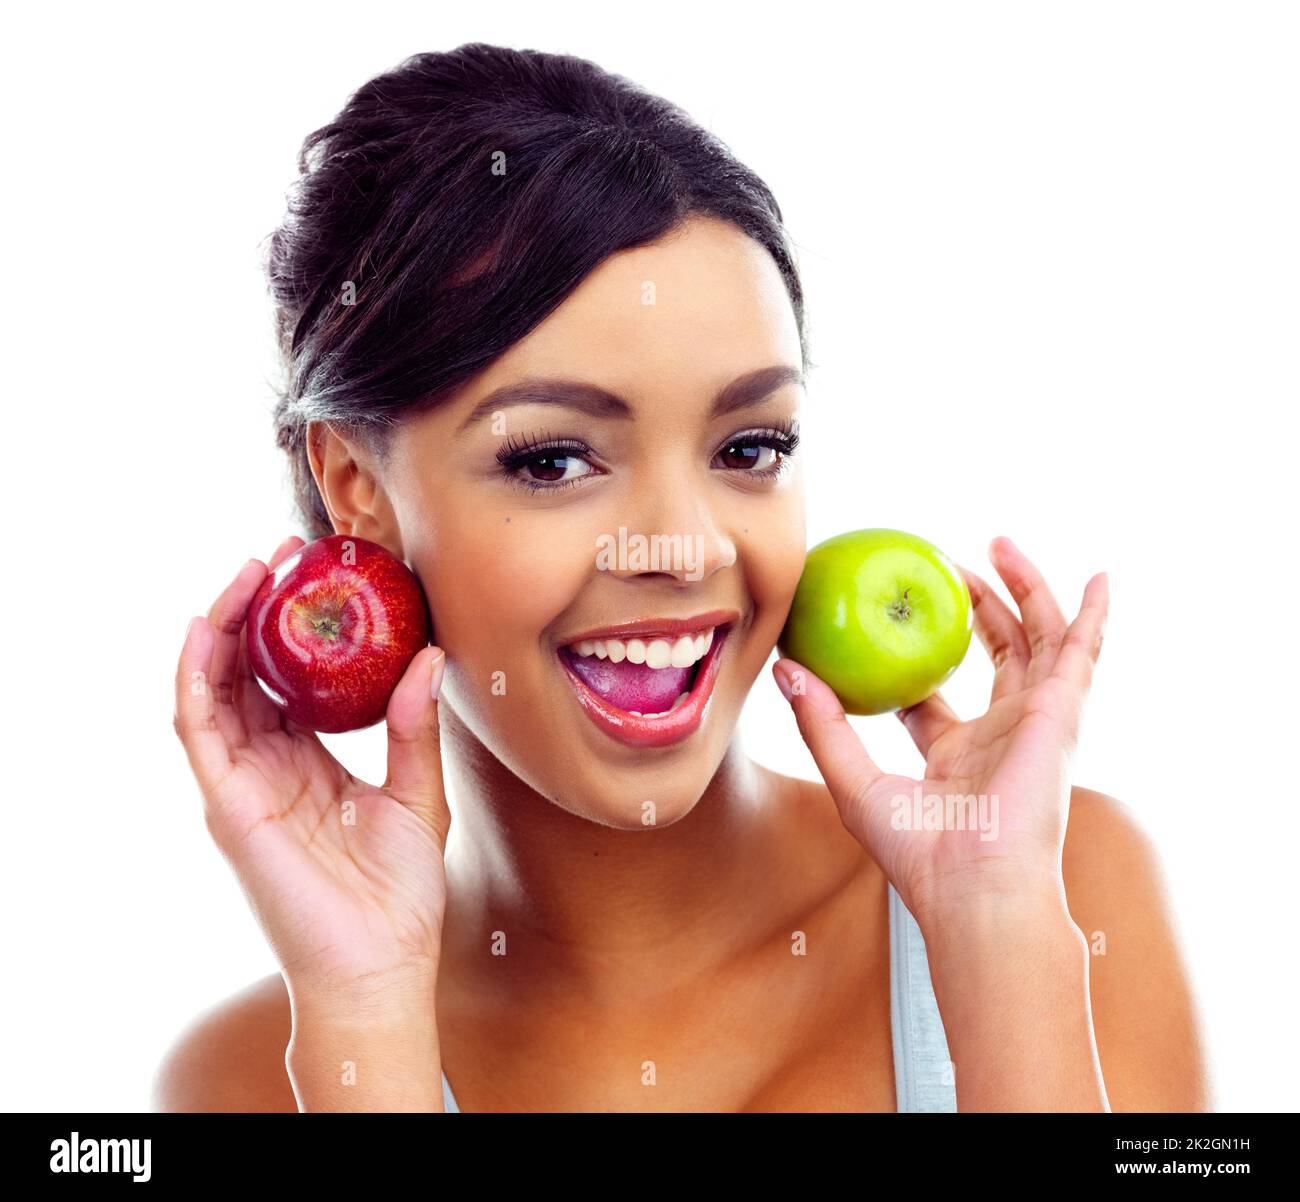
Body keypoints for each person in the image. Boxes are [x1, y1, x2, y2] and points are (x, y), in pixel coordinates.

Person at [159, 43, 1210, 1112]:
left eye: (748, 447)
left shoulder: (1063, 890)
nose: (684, 546)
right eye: (553, 459)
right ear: (355, 487)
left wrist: (996, 935)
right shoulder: (246, 1077)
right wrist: (367, 1018)